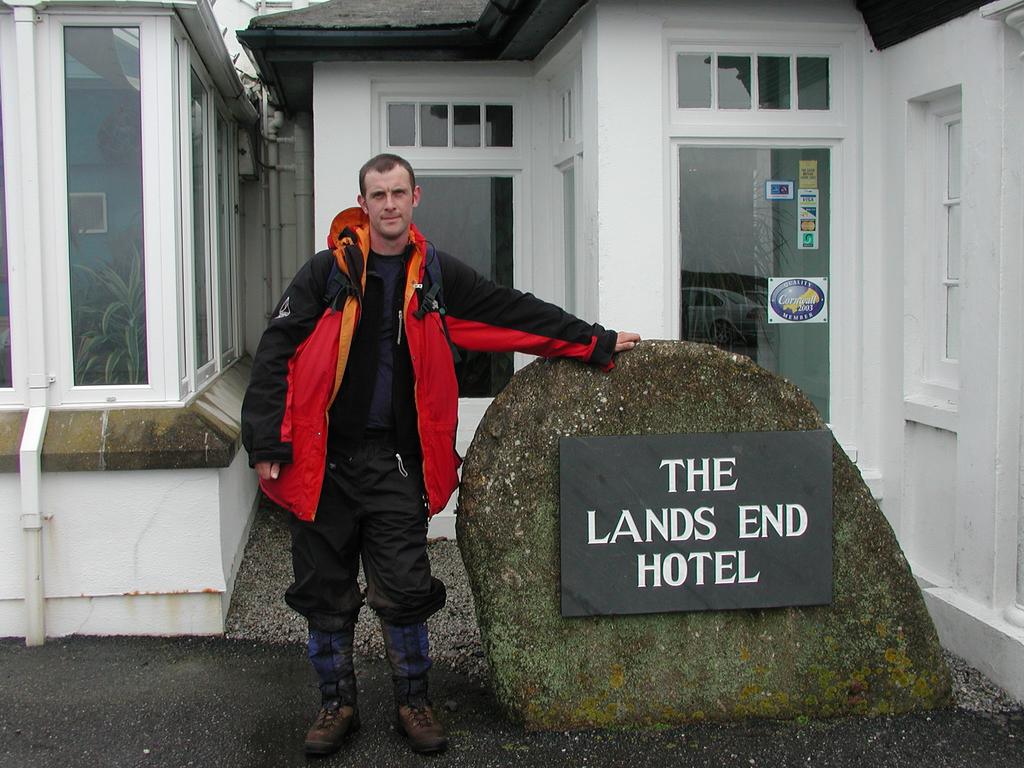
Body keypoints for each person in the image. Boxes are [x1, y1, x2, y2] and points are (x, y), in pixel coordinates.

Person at [241, 153, 640, 757]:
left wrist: (595, 339)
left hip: (394, 464)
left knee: (405, 588)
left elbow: (510, 308)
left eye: (399, 192)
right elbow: (275, 351)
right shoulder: (327, 272)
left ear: (415, 197)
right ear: (363, 203)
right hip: (323, 465)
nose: (390, 205)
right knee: (324, 591)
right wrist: (266, 441)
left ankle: (413, 702)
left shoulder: (435, 277)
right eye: (378, 195)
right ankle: (335, 705)